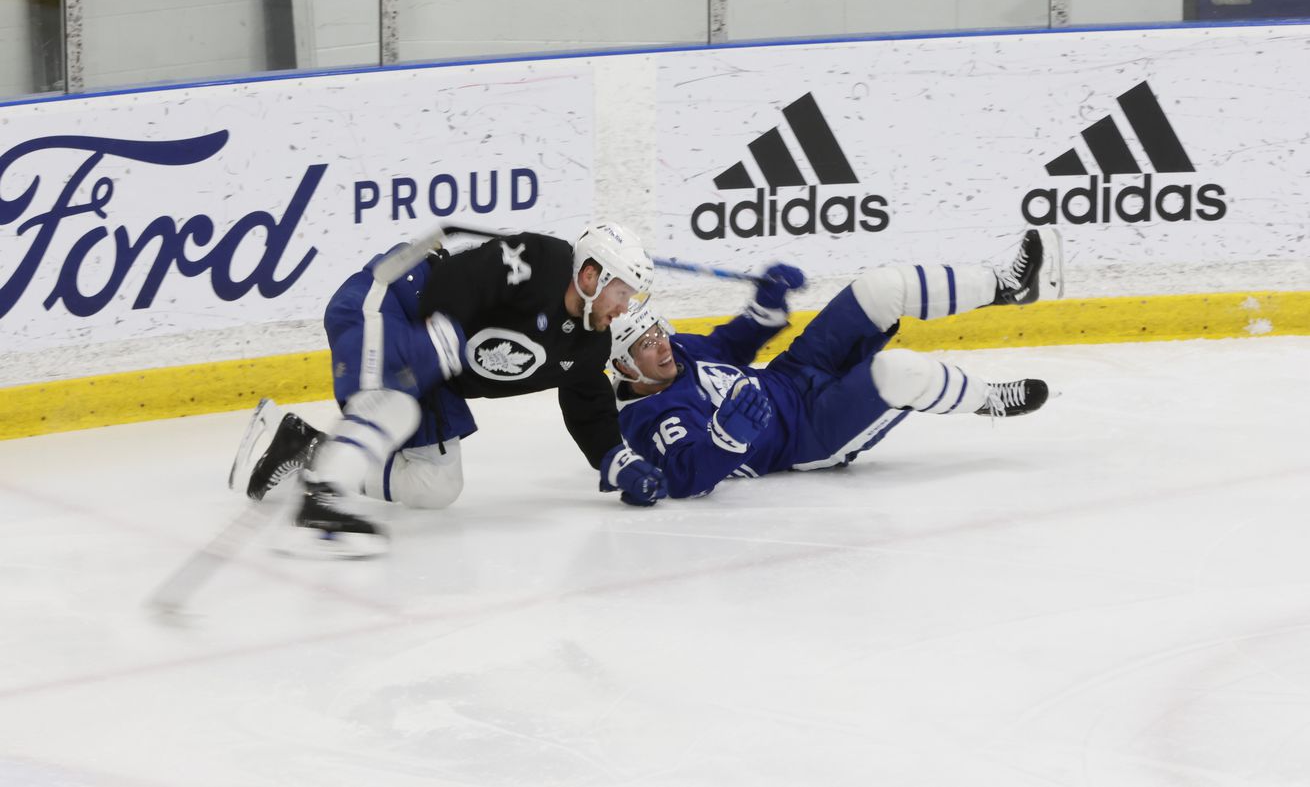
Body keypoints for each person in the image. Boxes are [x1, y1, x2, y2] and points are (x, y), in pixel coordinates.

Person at [229, 223, 669, 556]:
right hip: (397, 301)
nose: (624, 307)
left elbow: (587, 398)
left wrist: (615, 459)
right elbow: (466, 276)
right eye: (622, 292)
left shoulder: (589, 342)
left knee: (435, 485)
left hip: (439, 367)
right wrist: (442, 331)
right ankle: (320, 505)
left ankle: (307, 449)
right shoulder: (543, 260)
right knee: (393, 403)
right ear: (591, 276)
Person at [607, 229, 1064, 502]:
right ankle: (989, 400)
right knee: (901, 373)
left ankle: (1009, 286)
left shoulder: (676, 349)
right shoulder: (652, 418)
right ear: (626, 369)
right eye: (645, 346)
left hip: (794, 372)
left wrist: (767, 304)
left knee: (880, 288)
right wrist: (726, 440)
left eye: (656, 332)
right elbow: (686, 477)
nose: (661, 346)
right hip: (812, 435)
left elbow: (730, 345)